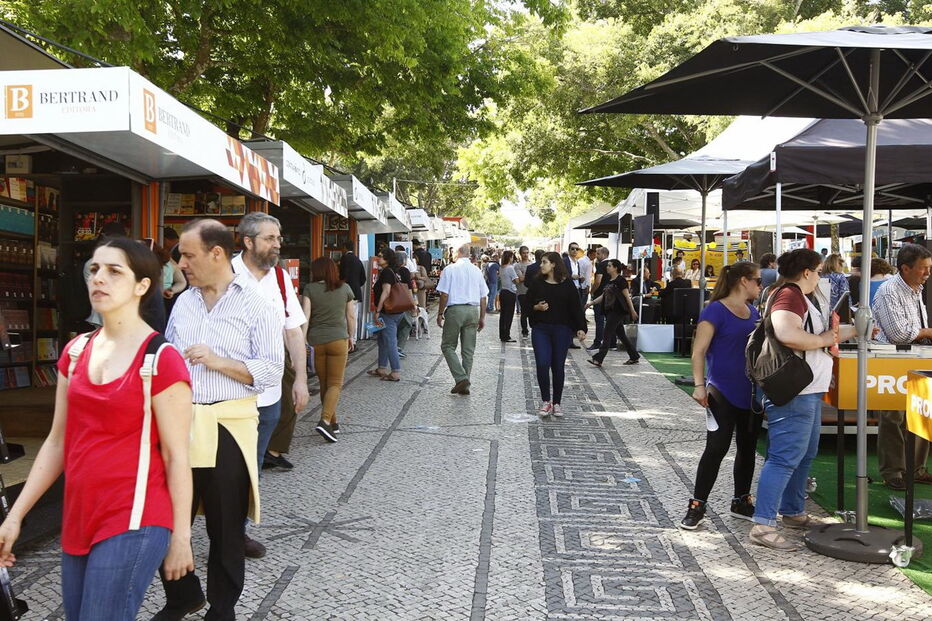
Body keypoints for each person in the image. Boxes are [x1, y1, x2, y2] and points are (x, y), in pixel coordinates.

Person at [0, 237, 194, 620]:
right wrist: (15, 515)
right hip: (79, 516)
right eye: (94, 269)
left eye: (113, 271)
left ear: (142, 286)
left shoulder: (161, 359)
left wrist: (181, 538)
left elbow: (177, 456)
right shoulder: (75, 352)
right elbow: (57, 442)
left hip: (135, 517)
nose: (99, 279)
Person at [156, 219, 283, 619]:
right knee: (165, 517)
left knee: (225, 525)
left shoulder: (257, 304)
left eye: (188, 254)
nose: (181, 263)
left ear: (216, 253)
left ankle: (222, 608)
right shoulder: (184, 302)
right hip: (179, 423)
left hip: (229, 424)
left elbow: (269, 371)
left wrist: (218, 361)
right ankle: (182, 595)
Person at [749, 249, 854, 551]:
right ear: (807, 272)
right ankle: (763, 524)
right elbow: (787, 333)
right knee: (784, 458)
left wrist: (844, 332)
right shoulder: (789, 295)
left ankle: (792, 511)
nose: (821, 277)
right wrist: (826, 340)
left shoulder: (794, 295)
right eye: (819, 271)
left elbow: (813, 333)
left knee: (804, 454)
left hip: (806, 390)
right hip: (795, 391)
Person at [233, 214, 309, 527]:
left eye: (278, 238)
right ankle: (224, 528)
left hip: (269, 396)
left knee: (252, 466)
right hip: (232, 394)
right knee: (228, 467)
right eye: (269, 239)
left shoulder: (278, 278)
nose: (277, 244)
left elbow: (293, 330)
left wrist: (301, 378)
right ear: (248, 242)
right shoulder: (225, 275)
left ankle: (238, 529)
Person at [678, 262, 762, 530]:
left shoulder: (754, 312)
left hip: (750, 391)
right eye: (758, 281)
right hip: (721, 391)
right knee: (716, 448)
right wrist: (699, 385)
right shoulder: (714, 311)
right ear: (743, 281)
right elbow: (698, 351)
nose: (761, 286)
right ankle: (697, 505)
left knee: (748, 449)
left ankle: (741, 500)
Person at [871, 243, 932, 490]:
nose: (927, 273)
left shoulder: (914, 287)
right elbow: (897, 334)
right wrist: (927, 331)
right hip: (892, 358)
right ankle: (894, 471)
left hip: (915, 356)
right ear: (905, 268)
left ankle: (915, 468)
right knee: (893, 416)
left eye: (929, 268)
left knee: (921, 411)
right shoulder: (889, 291)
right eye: (923, 268)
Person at [526, 252, 588, 417]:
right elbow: (526, 304)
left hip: (562, 330)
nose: (541, 265)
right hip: (541, 329)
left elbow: (576, 308)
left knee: (558, 366)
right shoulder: (537, 283)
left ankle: (557, 403)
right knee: (542, 363)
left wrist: (581, 327)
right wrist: (536, 307)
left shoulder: (567, 285)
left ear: (553, 264)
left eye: (544, 262)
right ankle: (546, 401)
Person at [302, 257, 356, 443]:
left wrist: (301, 340)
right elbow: (350, 316)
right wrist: (352, 336)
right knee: (335, 383)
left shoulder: (309, 289)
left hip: (316, 341)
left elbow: (306, 316)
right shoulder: (345, 288)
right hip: (338, 339)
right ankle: (325, 420)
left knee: (324, 382)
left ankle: (333, 423)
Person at [436, 244, 488, 395]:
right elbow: (483, 297)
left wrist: (440, 313)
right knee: (468, 350)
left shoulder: (450, 269)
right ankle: (464, 384)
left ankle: (461, 378)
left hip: (455, 311)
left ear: (457, 253)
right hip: (473, 311)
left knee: (447, 346)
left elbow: (444, 294)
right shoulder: (476, 270)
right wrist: (482, 317)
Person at [585, 259, 639, 367]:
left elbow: (627, 297)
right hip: (610, 311)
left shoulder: (621, 280)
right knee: (621, 335)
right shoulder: (610, 280)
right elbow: (604, 296)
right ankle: (634, 356)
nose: (607, 267)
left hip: (617, 312)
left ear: (615, 268)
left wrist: (632, 311)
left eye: (609, 266)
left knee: (607, 333)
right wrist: (592, 302)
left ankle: (599, 359)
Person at [370, 247, 413, 381]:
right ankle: (381, 368)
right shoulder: (393, 271)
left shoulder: (387, 273)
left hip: (387, 313)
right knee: (382, 339)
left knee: (390, 341)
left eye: (381, 256)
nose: (378, 258)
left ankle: (395, 372)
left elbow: (386, 292)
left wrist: (377, 310)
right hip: (394, 312)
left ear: (387, 259)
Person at [587, 247, 614, 352]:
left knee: (599, 320)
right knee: (610, 320)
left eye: (598, 254)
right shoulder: (613, 265)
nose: (596, 256)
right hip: (611, 295)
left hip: (600, 295)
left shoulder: (601, 265)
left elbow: (598, 281)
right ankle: (612, 342)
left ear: (603, 254)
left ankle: (598, 342)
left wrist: (592, 291)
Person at [499, 250, 519, 343]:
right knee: (509, 315)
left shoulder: (501, 267)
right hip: (510, 292)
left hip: (503, 292)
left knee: (503, 315)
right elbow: (516, 280)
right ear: (509, 257)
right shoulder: (510, 268)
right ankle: (507, 335)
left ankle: (502, 334)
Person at [515, 246, 533, 338]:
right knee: (524, 312)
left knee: (533, 311)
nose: (525, 255)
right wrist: (530, 274)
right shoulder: (517, 266)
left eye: (527, 252)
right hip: (522, 292)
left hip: (532, 292)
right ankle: (524, 330)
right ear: (520, 254)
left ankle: (533, 328)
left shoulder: (532, 264)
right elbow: (521, 278)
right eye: (524, 253)